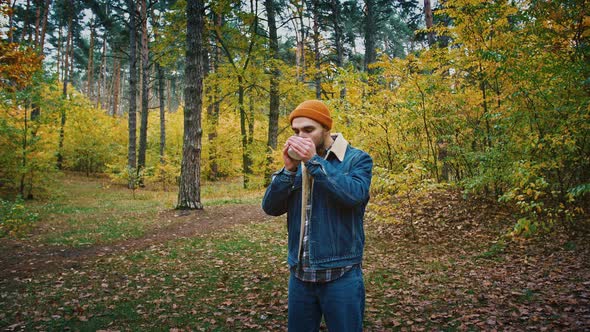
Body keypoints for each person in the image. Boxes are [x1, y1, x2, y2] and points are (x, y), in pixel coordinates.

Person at [262, 100, 373, 331]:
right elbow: (270, 207)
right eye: (296, 131)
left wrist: (313, 162)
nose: (301, 136)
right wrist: (288, 170)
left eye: (308, 130)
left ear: (326, 129)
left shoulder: (356, 159)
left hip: (341, 274)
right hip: (301, 276)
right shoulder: (297, 165)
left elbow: (354, 195)